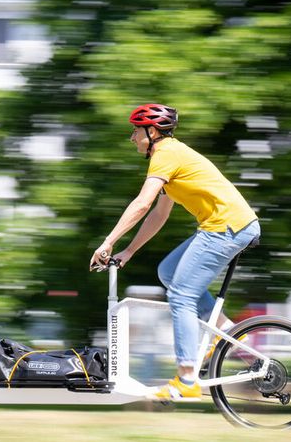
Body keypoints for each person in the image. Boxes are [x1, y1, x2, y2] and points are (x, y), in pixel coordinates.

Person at [89, 103, 261, 401]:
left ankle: (186, 377)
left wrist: (108, 242)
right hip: (225, 226)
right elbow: (158, 214)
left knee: (181, 294)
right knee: (167, 272)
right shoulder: (171, 155)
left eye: (135, 131)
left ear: (152, 132)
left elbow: (142, 204)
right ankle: (230, 333)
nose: (132, 138)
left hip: (226, 227)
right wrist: (128, 250)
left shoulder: (165, 154)